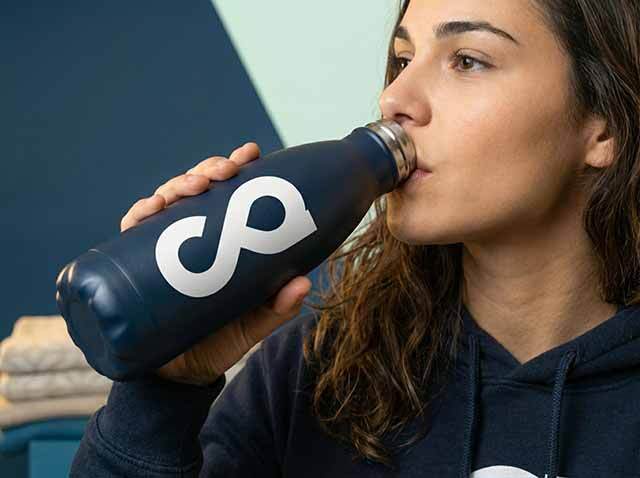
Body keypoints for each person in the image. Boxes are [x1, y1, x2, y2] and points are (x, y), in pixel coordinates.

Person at [70, 0, 640, 476]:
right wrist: (163, 393)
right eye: (403, 59)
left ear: (604, 127)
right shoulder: (318, 374)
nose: (395, 99)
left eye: (467, 60)